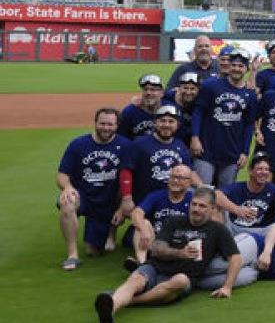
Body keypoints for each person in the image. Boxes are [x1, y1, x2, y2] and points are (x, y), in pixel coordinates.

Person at [93, 186, 241, 323]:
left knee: (180, 280)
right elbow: (157, 248)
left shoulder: (218, 230)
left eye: (202, 206)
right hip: (156, 267)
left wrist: (227, 287)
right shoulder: (175, 221)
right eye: (194, 204)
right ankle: (111, 309)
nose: (196, 209)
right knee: (135, 280)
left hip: (184, 277)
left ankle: (123, 301)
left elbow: (235, 257)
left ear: (213, 208)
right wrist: (179, 253)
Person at [57, 107, 132, 270]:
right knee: (67, 202)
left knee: (94, 251)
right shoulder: (78, 144)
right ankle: (72, 255)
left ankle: (107, 234)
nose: (106, 128)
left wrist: (121, 208)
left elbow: (130, 179)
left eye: (110, 124)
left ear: (117, 126)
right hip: (83, 195)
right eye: (102, 123)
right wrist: (67, 187)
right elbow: (62, 174)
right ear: (95, 123)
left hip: (108, 200)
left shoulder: (126, 146)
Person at [191, 48, 259, 187]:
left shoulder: (250, 94)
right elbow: (198, 112)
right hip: (206, 151)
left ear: (246, 69)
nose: (236, 69)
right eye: (233, 65)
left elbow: (249, 124)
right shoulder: (211, 86)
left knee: (225, 194)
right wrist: (195, 138)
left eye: (240, 66)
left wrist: (245, 152)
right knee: (203, 191)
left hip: (232, 153)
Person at [127, 164, 194, 269]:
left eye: (180, 178)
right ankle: (142, 265)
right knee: (143, 223)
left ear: (189, 182)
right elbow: (136, 212)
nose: (175, 181)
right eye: (173, 177)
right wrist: (144, 230)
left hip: (180, 245)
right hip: (157, 242)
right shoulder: (157, 195)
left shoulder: (193, 200)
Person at [216, 151, 275, 236]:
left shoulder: (272, 189)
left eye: (266, 169)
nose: (264, 172)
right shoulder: (238, 187)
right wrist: (237, 210)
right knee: (215, 209)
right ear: (250, 171)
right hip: (234, 229)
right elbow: (215, 195)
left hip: (260, 231)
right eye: (260, 169)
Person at [118, 73, 165, 139]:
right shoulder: (129, 112)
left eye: (153, 90)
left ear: (162, 93)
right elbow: (121, 138)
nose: (148, 93)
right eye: (145, 89)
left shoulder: (169, 108)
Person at [163, 72, 200, 145]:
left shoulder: (200, 101)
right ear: (179, 88)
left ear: (198, 90)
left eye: (192, 89)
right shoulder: (168, 97)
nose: (188, 92)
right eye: (185, 88)